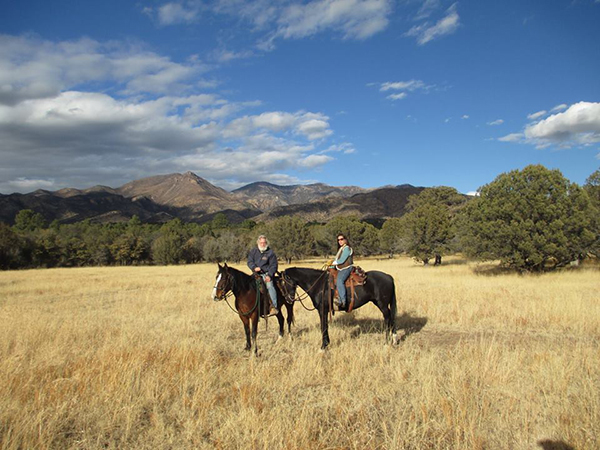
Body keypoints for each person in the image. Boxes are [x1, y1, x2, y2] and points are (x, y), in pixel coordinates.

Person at [247, 235, 279, 315]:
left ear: (266, 243)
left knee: (270, 286)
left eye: (264, 243)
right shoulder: (253, 251)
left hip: (266, 274)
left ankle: (273, 307)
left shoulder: (270, 253)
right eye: (261, 243)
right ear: (258, 243)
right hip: (255, 274)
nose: (263, 244)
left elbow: (273, 265)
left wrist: (270, 275)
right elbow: (249, 262)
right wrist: (254, 268)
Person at [331, 234, 353, 309]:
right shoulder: (341, 249)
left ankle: (342, 301)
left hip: (347, 268)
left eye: (341, 239)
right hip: (341, 268)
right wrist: (330, 266)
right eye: (338, 240)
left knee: (339, 280)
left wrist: (333, 263)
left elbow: (342, 260)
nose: (340, 241)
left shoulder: (347, 248)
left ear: (345, 240)